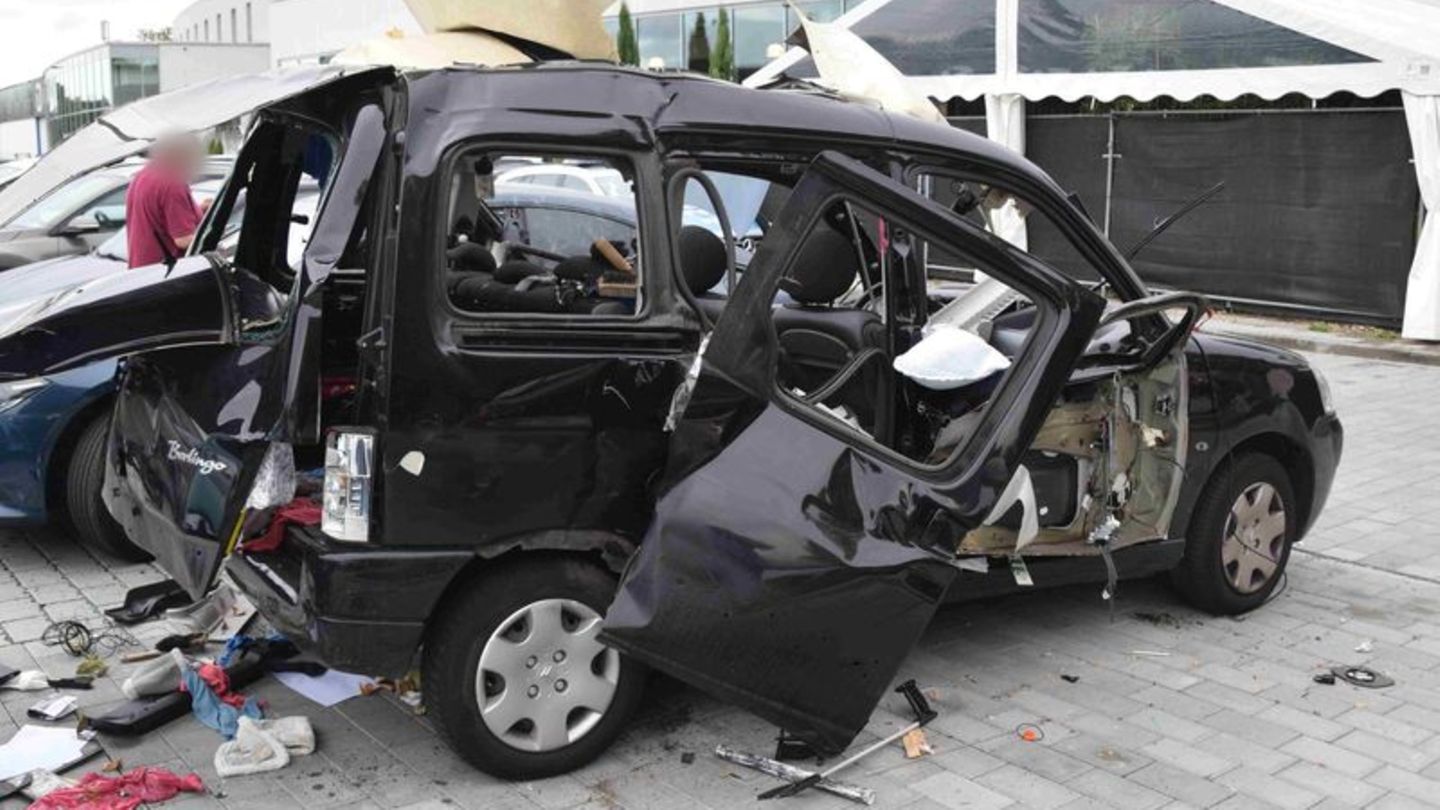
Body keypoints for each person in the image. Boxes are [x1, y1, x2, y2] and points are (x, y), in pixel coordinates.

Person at [125, 132, 208, 269]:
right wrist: (222, 241)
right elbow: (183, 240)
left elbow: (160, 216)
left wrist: (199, 209)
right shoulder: (173, 183)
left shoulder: (143, 175)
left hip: (140, 273)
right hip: (166, 275)